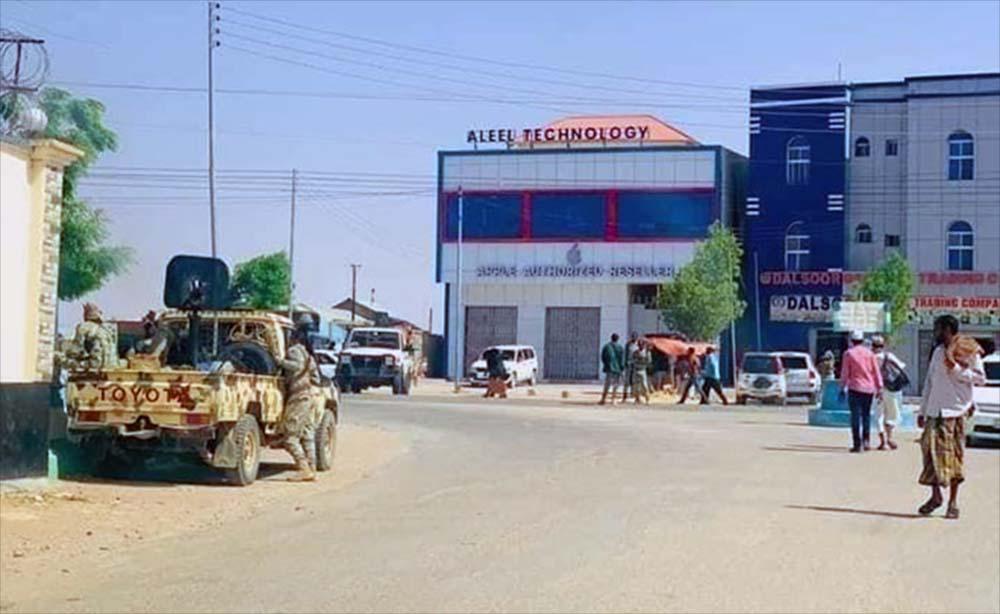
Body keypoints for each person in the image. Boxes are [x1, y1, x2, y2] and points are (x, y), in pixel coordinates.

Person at [917, 315, 986, 520]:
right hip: (935, 411)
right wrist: (923, 410)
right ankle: (935, 496)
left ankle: (953, 502)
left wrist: (955, 368)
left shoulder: (968, 349)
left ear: (948, 329)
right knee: (929, 454)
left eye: (938, 328)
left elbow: (980, 378)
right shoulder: (938, 352)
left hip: (955, 412)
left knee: (954, 457)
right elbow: (930, 382)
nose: (936, 332)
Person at [279, 317, 323, 482]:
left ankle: (303, 467)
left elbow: (295, 367)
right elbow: (317, 379)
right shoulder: (308, 354)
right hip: (308, 397)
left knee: (290, 438)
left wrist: (280, 362)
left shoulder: (294, 351)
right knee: (307, 434)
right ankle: (312, 468)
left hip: (298, 398)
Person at [839, 330, 883, 452]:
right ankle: (866, 441)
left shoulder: (848, 354)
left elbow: (845, 373)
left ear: (852, 341)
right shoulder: (870, 354)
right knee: (866, 415)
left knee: (855, 416)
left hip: (854, 388)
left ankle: (857, 444)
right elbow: (876, 372)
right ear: (863, 341)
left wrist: (842, 387)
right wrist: (879, 388)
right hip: (869, 389)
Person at [872, 335, 907, 451]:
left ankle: (883, 442)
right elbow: (901, 366)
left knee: (879, 415)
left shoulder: (871, 357)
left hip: (877, 389)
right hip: (891, 389)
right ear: (883, 346)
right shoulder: (889, 356)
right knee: (892, 414)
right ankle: (890, 438)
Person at [64, 303, 119, 370]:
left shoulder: (83, 327)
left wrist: (66, 355)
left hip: (94, 364)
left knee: (62, 360)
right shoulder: (107, 329)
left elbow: (76, 350)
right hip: (111, 366)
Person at [599, 333, 625, 405]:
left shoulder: (607, 347)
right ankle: (613, 399)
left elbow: (603, 357)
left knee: (607, 384)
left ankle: (603, 399)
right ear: (618, 339)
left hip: (609, 369)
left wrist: (606, 365)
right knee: (616, 385)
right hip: (617, 369)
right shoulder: (620, 348)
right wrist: (622, 368)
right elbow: (622, 359)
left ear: (611, 338)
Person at [630, 339, 652, 405]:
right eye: (639, 345)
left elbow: (649, 361)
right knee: (636, 386)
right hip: (636, 369)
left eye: (642, 344)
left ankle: (647, 399)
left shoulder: (647, 352)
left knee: (644, 385)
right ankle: (637, 399)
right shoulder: (635, 352)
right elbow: (632, 360)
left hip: (642, 370)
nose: (640, 346)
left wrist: (642, 361)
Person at [621, 332, 640, 402]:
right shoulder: (628, 345)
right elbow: (625, 354)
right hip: (629, 364)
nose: (634, 338)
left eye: (635, 337)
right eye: (633, 337)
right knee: (627, 381)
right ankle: (625, 395)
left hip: (636, 365)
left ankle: (634, 395)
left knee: (635, 381)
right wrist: (624, 364)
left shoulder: (639, 344)